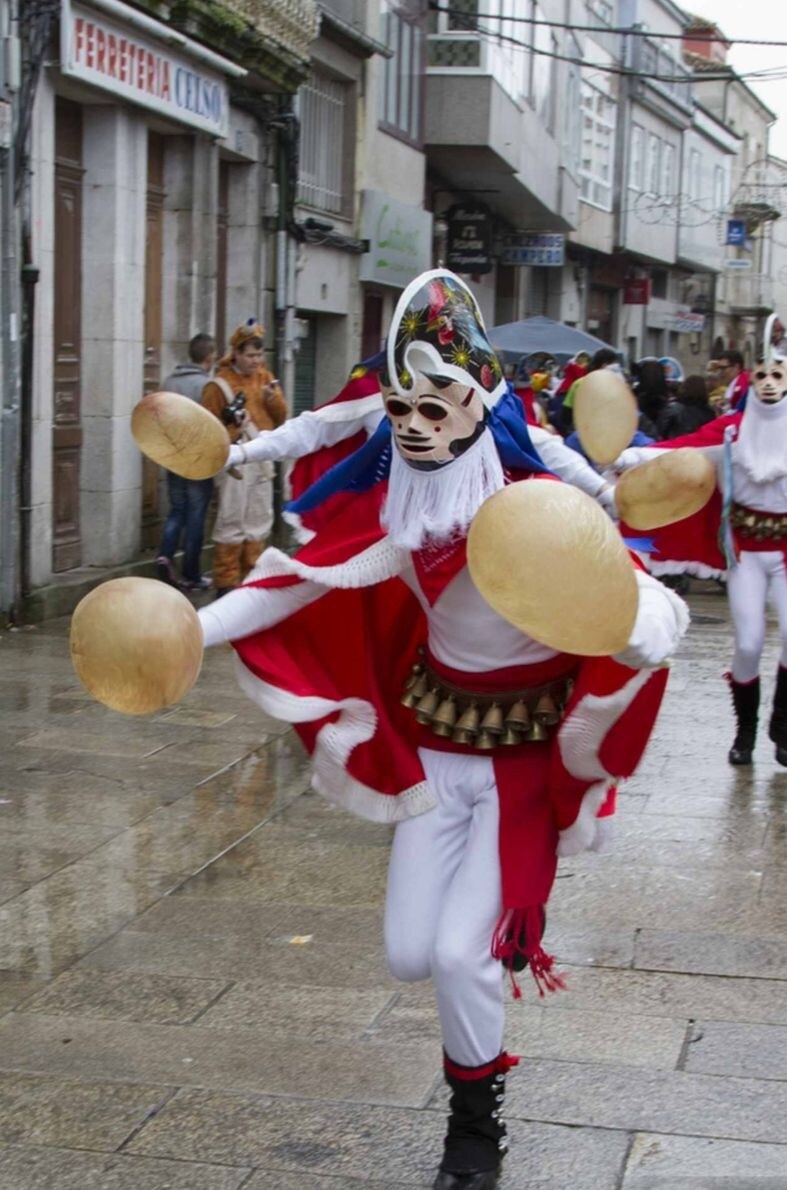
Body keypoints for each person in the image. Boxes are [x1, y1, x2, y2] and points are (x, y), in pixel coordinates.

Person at [198, 269, 687, 1190]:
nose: (415, 421)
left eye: (436, 403)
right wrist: (188, 631)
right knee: (408, 955)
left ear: (480, 405)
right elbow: (298, 582)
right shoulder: (404, 520)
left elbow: (647, 601)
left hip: (517, 772)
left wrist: (632, 631)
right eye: (399, 405)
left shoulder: (540, 512)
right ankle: (474, 1058)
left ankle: (474, 1132)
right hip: (432, 754)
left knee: (463, 957)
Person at [615, 358, 787, 769]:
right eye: (760, 375)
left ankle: (781, 731)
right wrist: (634, 456)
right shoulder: (729, 432)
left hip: (785, 554)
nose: (768, 383)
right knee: (748, 643)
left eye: (778, 375)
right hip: (744, 553)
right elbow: (681, 452)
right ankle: (745, 733)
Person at [201, 320, 288, 596]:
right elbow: (206, 429)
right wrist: (232, 428)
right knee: (231, 520)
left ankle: (253, 578)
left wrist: (271, 399)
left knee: (258, 520)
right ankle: (226, 583)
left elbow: (282, 418)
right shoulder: (219, 386)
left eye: (259, 355)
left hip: (262, 459)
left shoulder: (266, 379)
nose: (256, 361)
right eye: (250, 355)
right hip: (234, 461)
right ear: (236, 353)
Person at [155, 333, 217, 591]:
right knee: (195, 516)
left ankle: (164, 556)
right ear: (210, 357)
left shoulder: (169, 382)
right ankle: (192, 573)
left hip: (172, 458)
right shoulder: (209, 386)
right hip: (198, 460)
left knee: (177, 510)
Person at [658, 374, 715, 439]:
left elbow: (661, 430)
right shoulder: (709, 412)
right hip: (699, 446)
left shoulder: (673, 408)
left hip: (675, 444)